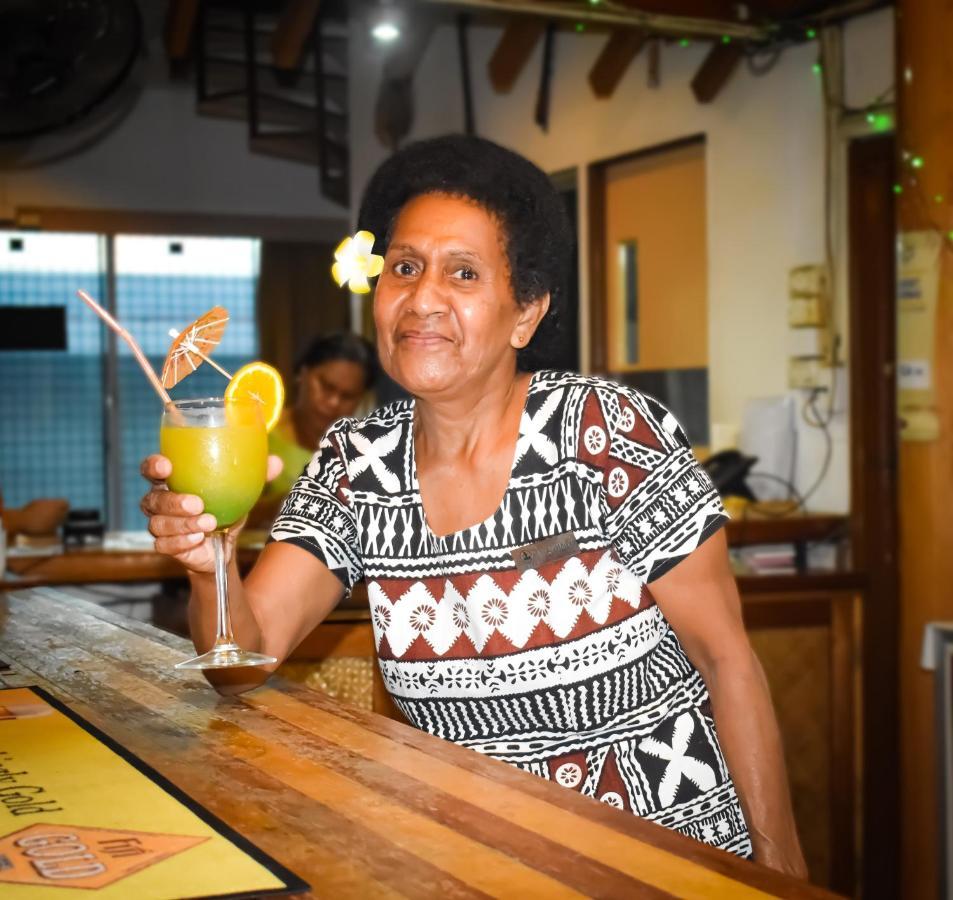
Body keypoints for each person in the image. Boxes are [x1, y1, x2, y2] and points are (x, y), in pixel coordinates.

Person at [141, 134, 806, 876]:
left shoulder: (604, 432)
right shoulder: (356, 463)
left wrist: (779, 874)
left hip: (665, 860)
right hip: (480, 866)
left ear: (525, 314)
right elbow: (242, 660)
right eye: (403, 268)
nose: (423, 297)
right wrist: (213, 562)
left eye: (463, 272)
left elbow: (727, 659)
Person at [249, 332, 377, 524]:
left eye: (347, 396)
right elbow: (231, 513)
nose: (333, 402)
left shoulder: (366, 450)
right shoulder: (261, 433)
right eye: (326, 386)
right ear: (302, 372)